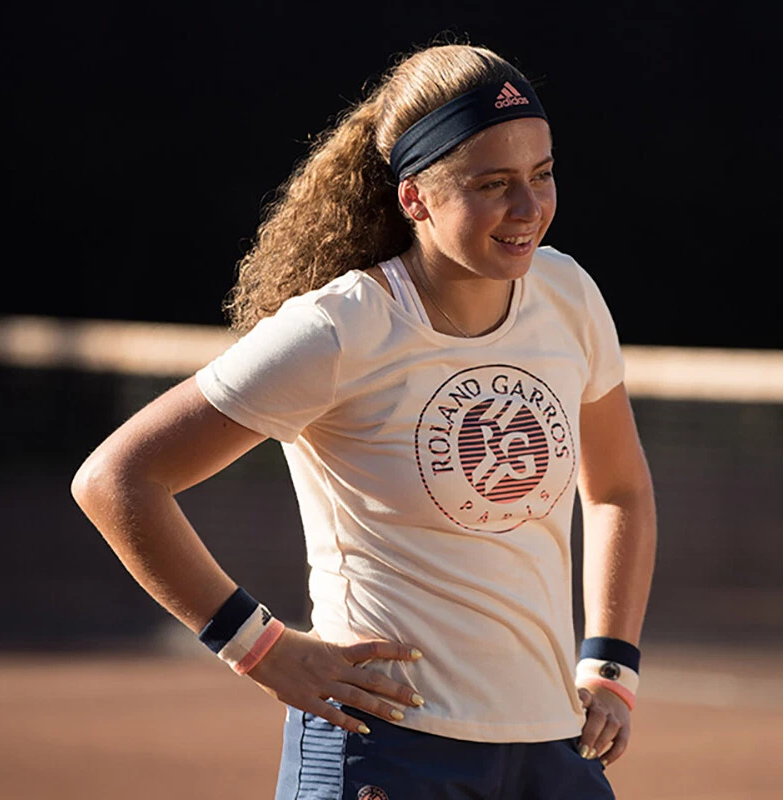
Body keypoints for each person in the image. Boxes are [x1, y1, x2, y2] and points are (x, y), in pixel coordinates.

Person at [72, 41, 656, 800]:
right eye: (493, 183)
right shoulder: (341, 327)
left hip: (552, 747)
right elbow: (117, 479)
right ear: (415, 198)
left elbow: (617, 490)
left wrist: (611, 665)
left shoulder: (568, 295)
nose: (529, 207)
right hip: (386, 752)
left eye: (542, 174)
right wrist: (259, 648)